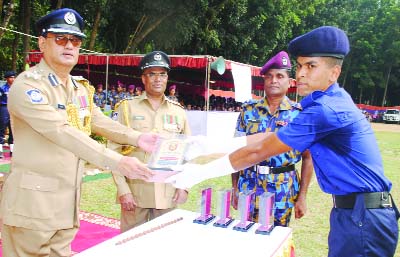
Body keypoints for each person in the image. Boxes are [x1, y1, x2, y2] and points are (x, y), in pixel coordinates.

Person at [167, 26, 399, 256]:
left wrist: (197, 174)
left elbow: (259, 151)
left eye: (311, 66)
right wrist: (209, 145)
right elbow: (271, 137)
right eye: (299, 66)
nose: (301, 74)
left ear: (334, 73)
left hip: (362, 216)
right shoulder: (328, 101)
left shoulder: (326, 110)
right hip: (355, 213)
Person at [1, 8, 157, 257]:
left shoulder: (78, 87)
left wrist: (137, 138)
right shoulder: (28, 85)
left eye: (75, 40)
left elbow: (98, 121)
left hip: (66, 202)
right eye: (60, 39)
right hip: (31, 205)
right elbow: (61, 131)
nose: (69, 46)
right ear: (42, 43)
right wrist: (117, 161)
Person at [110, 50, 190, 232]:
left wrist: (184, 186)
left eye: (162, 74)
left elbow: (186, 153)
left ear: (167, 77)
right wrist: (123, 190)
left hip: (167, 193)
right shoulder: (127, 108)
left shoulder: (178, 111)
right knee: (130, 246)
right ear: (143, 78)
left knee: (164, 246)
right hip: (135, 192)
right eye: (152, 74)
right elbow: (113, 150)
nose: (158, 79)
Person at [231, 51, 313, 226]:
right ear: (264, 81)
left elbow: (308, 157)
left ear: (289, 82)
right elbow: (235, 150)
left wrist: (303, 196)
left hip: (283, 187)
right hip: (249, 184)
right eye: (269, 76)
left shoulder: (299, 115)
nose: (274, 80)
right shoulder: (248, 110)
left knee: (277, 238)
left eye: (279, 76)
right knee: (248, 236)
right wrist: (234, 187)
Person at [0, 71, 16, 158]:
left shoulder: (16, 88)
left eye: (14, 77)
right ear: (6, 79)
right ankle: (0, 150)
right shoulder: (2, 89)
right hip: (4, 108)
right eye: (11, 77)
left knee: (12, 129)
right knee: (2, 128)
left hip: (13, 109)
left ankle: (12, 150)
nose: (13, 79)